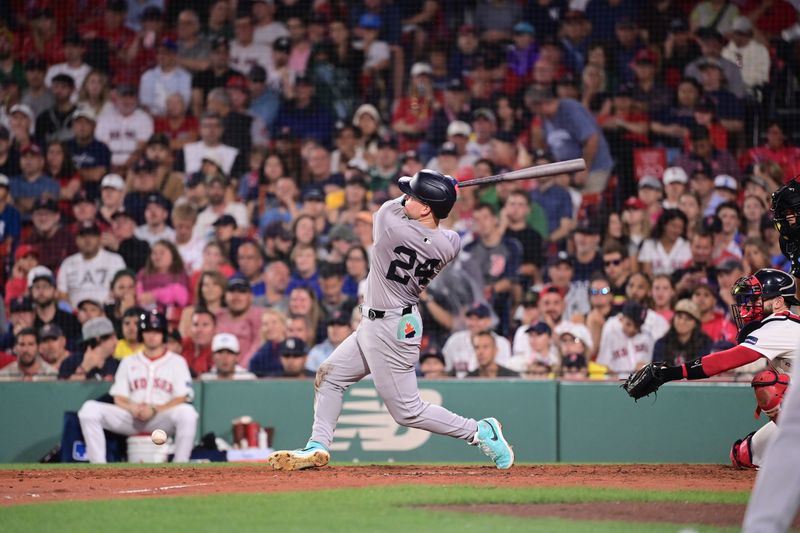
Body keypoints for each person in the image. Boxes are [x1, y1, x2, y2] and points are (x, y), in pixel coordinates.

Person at [268, 170, 514, 471]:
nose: (407, 197)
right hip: (382, 322)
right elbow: (441, 226)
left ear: (425, 207)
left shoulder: (389, 225)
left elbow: (393, 205)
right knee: (329, 376)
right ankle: (318, 445)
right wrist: (440, 192)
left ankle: (479, 431)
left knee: (407, 411)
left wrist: (439, 186)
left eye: (414, 195)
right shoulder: (450, 243)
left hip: (391, 328)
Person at [625, 269, 800, 470]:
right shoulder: (779, 325)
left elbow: (726, 361)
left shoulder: (781, 325)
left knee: (768, 384)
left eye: (756, 299)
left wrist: (669, 373)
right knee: (743, 455)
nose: (750, 306)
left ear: (778, 302)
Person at [77, 310, 198, 463]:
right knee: (89, 410)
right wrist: (132, 408)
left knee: (187, 413)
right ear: (141, 334)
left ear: (163, 334)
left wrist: (154, 409)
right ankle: (98, 466)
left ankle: (180, 465)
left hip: (160, 418)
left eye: (156, 331)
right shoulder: (128, 361)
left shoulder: (177, 361)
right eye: (148, 331)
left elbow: (182, 397)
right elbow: (118, 397)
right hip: (131, 418)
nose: (152, 335)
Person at [57, 222, 126, 308]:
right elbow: (62, 294)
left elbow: (124, 289)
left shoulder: (115, 260)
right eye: (83, 236)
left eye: (92, 236)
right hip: (75, 315)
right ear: (76, 240)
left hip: (108, 313)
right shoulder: (68, 263)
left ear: (99, 239)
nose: (87, 240)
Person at [597, 300, 655, 376]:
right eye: (628, 324)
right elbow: (603, 364)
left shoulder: (647, 334)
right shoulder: (611, 330)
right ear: (621, 318)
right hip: (617, 384)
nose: (632, 330)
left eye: (637, 326)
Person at [215, 276, 264, 367]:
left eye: (242, 292)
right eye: (232, 291)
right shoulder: (217, 316)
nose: (236, 296)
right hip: (217, 371)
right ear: (225, 295)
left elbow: (258, 344)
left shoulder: (258, 315)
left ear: (250, 296)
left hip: (248, 372)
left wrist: (241, 369)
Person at [58, 317, 119, 381]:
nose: (116, 342)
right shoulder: (71, 362)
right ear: (98, 339)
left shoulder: (116, 364)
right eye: (112, 338)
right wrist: (84, 368)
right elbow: (63, 389)